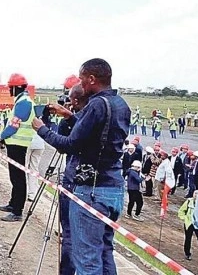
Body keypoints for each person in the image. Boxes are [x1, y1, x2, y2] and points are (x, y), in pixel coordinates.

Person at [32, 58, 129, 275]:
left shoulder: (95, 105)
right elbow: (98, 137)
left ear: (92, 79)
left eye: (82, 78)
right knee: (105, 252)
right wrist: (71, 116)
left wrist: (42, 129)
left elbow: (69, 145)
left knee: (87, 260)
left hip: (91, 191)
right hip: (113, 188)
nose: (81, 83)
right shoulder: (120, 104)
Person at [47, 82, 88, 275]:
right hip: (94, 183)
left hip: (75, 179)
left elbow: (64, 144)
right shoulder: (100, 112)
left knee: (70, 234)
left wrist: (42, 128)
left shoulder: (84, 118)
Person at [0, 73, 36, 222]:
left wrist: (1, 136)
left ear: (16, 88)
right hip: (15, 144)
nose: (9, 91)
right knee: (15, 176)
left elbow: (14, 125)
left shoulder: (24, 102)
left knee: (18, 177)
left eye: (10, 88)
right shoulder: (22, 101)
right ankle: (13, 204)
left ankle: (17, 211)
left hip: (18, 144)